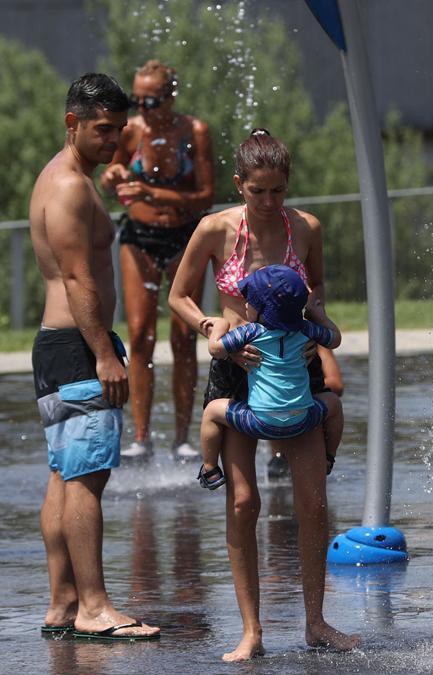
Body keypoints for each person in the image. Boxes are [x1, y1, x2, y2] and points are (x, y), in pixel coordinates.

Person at [168, 128, 358, 661]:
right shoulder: (214, 228)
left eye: (278, 190)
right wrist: (211, 329)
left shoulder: (306, 228)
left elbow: (315, 289)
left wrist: (317, 322)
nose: (271, 202)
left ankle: (316, 622)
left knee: (313, 500)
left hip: (293, 369)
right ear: (240, 185)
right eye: (259, 192)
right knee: (244, 499)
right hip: (235, 370)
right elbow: (178, 296)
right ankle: (251, 631)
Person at [29, 73, 160, 640]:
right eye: (102, 130)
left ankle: (62, 603)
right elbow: (79, 277)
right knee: (86, 477)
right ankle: (94, 606)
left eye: (118, 129)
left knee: (63, 477)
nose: (112, 140)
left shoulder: (70, 178)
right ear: (72, 123)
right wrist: (106, 354)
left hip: (59, 347)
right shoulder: (69, 188)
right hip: (79, 348)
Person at [98, 60, 215, 460]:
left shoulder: (193, 133)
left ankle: (181, 438)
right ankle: (141, 437)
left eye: (152, 101)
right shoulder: (131, 131)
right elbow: (110, 169)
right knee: (140, 333)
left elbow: (205, 197)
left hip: (184, 237)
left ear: (171, 97)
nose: (143, 109)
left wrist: (153, 194)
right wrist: (113, 176)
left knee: (184, 338)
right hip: (140, 238)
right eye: (137, 100)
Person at [197, 265, 344, 490]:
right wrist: (319, 316)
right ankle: (328, 458)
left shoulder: (251, 332)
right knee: (334, 404)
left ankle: (209, 469)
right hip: (301, 420)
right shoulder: (306, 330)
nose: (246, 304)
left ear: (264, 309)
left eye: (250, 301)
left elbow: (216, 349)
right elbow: (335, 339)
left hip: (259, 422)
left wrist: (220, 325)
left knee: (212, 411)